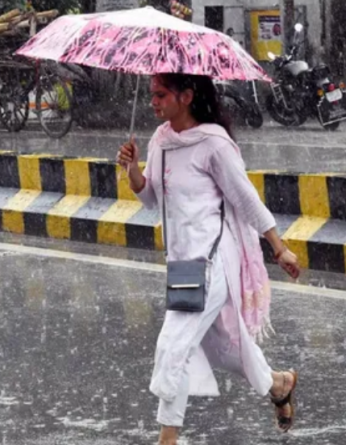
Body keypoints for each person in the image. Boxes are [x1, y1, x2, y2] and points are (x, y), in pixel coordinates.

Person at [116, 73, 302, 445]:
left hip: (215, 259)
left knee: (175, 344)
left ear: (186, 96)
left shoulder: (214, 144)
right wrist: (133, 170)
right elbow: (151, 197)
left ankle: (166, 439)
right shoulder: (161, 141)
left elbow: (245, 196)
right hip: (183, 265)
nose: (153, 101)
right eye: (151, 94)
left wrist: (278, 247)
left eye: (161, 94)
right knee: (222, 347)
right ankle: (277, 383)